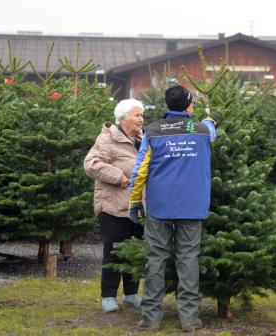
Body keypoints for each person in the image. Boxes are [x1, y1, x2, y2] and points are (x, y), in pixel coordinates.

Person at [128, 85, 216, 332]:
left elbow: (140, 170)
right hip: (192, 206)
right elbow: (211, 129)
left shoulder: (153, 132)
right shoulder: (200, 130)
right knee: (188, 260)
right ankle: (189, 319)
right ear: (189, 106)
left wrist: (135, 200)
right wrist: (210, 120)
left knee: (155, 260)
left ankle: (150, 319)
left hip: (160, 207)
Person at [84, 99, 145, 312]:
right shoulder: (107, 138)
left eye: (142, 115)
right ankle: (108, 296)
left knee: (135, 250)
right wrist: (118, 176)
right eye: (137, 115)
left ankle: (130, 294)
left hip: (138, 206)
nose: (141, 120)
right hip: (113, 206)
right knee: (115, 251)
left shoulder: (144, 139)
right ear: (122, 118)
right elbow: (91, 165)